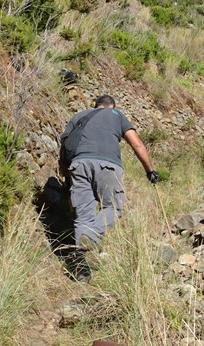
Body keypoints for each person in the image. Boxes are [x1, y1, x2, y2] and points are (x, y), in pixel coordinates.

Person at [59, 95, 159, 277]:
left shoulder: (79, 116)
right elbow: (136, 144)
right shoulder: (116, 115)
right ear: (111, 106)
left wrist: (67, 176)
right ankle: (91, 236)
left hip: (78, 165)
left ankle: (81, 273)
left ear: (95, 106)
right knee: (113, 207)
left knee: (83, 216)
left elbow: (65, 147)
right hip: (107, 165)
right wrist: (150, 171)